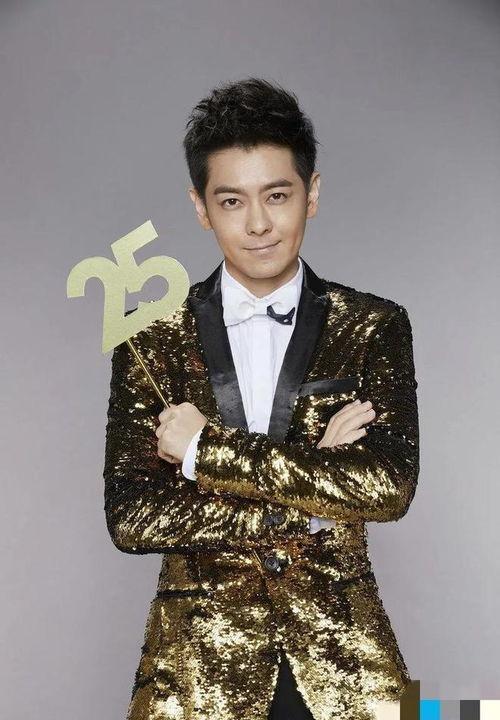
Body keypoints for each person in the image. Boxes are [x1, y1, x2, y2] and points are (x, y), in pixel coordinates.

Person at [103, 77, 419, 720]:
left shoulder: (374, 325)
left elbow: (387, 487)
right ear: (200, 207)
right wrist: (311, 492)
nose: (257, 225)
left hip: (347, 665)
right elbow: (133, 517)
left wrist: (205, 452)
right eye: (231, 201)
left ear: (312, 193)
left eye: (277, 196)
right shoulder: (149, 337)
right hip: (196, 672)